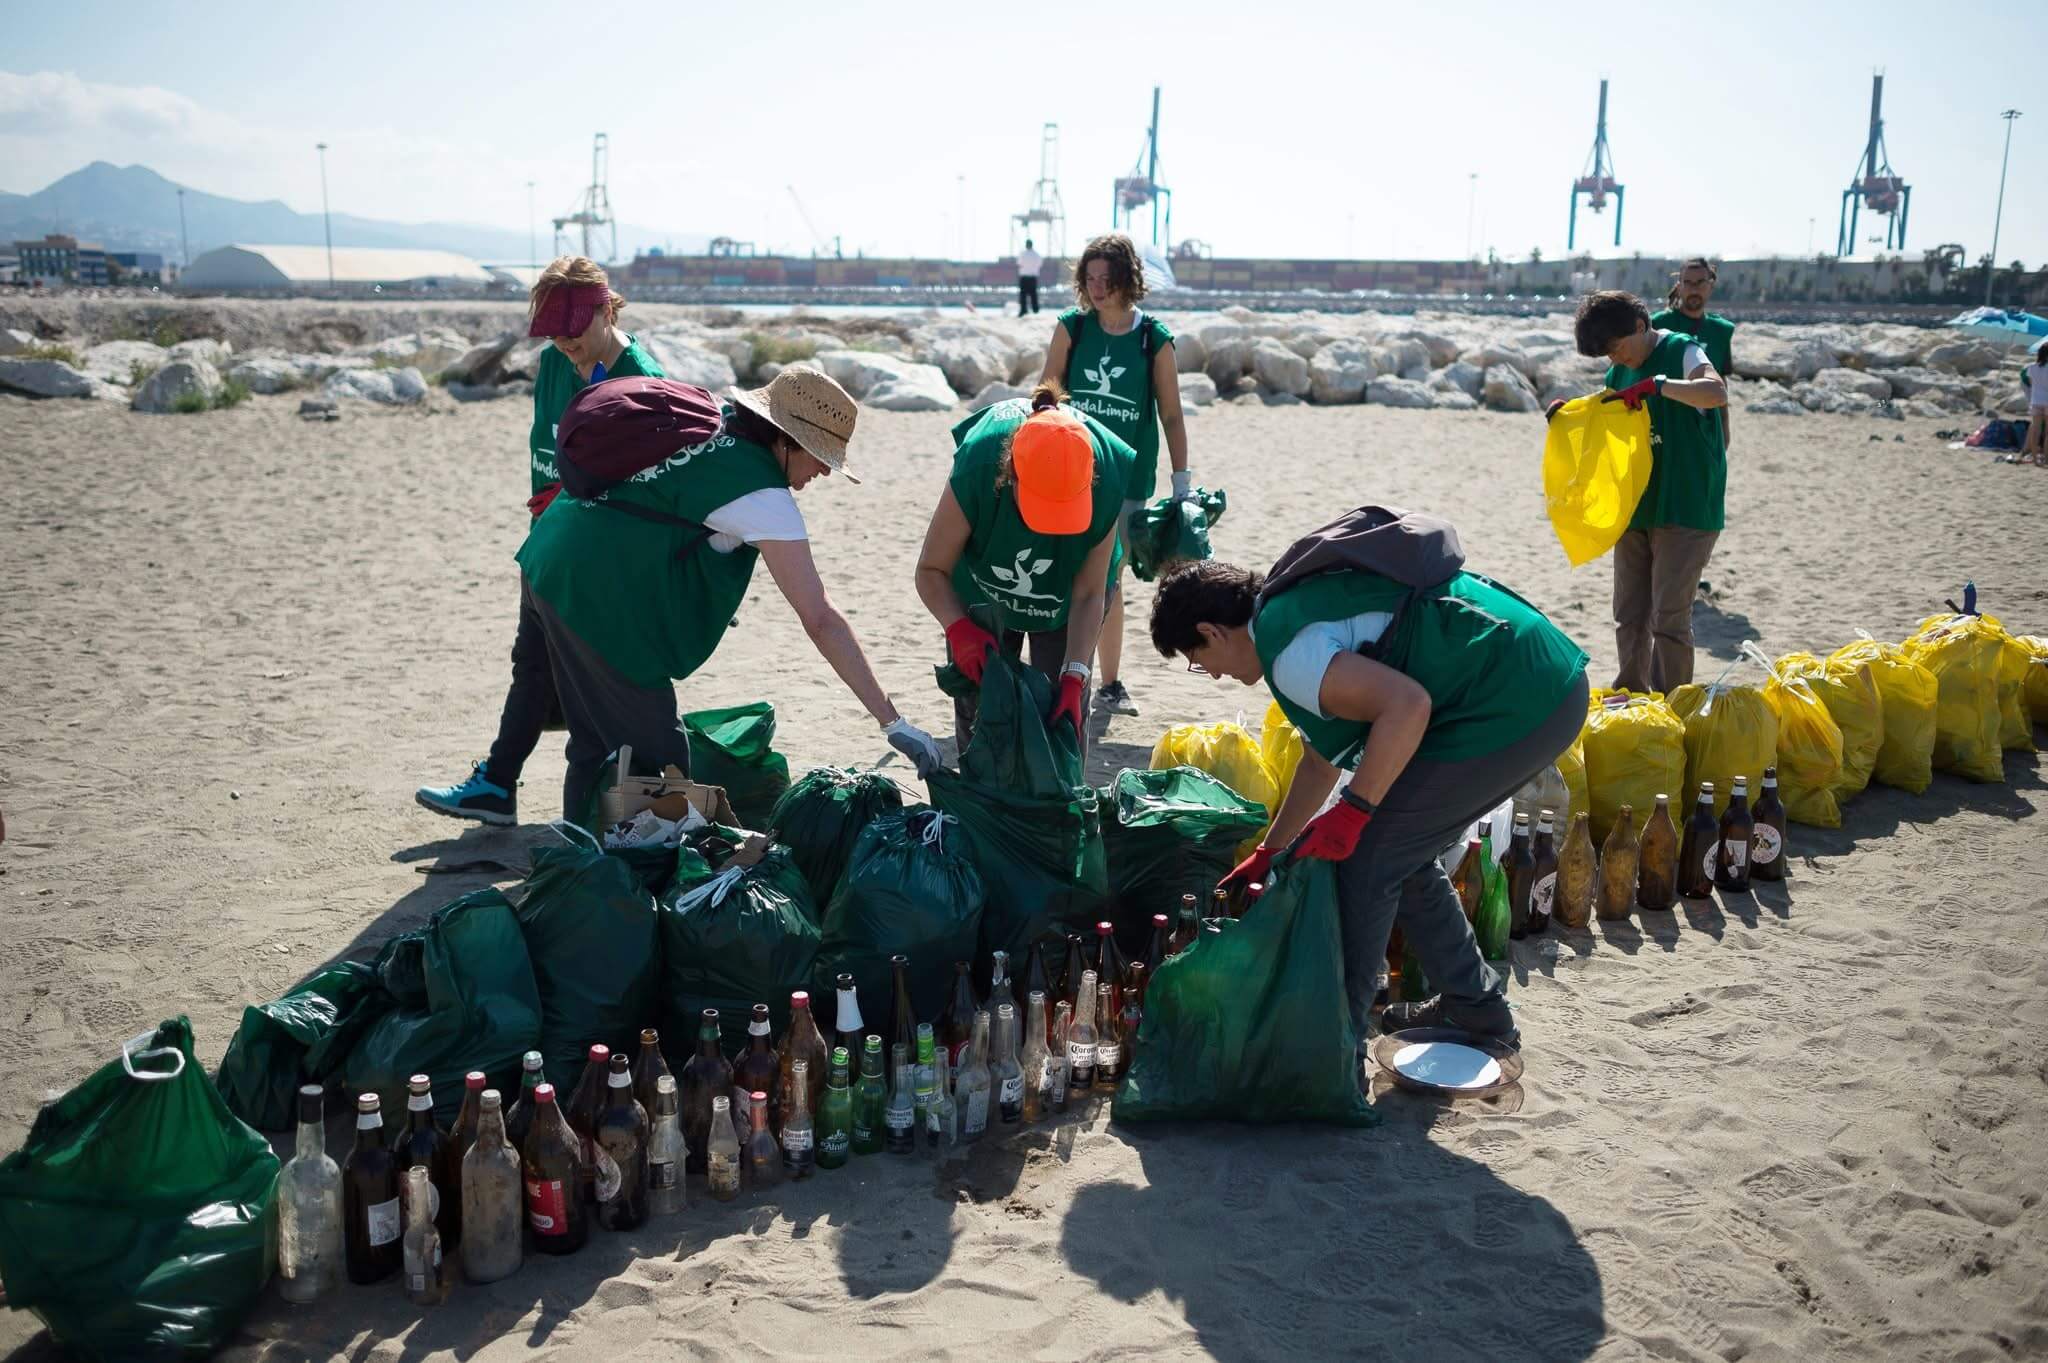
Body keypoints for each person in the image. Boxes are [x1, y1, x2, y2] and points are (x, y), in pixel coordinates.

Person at [1148, 521, 1590, 1048]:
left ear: (1213, 631)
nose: (1212, 675)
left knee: (1372, 859)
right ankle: (1475, 1009)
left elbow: (1408, 706)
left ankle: (1341, 1038)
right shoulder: (1283, 613)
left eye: (1199, 662)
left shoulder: (1290, 654)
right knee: (1397, 850)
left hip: (1519, 698)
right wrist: (1272, 848)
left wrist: (1355, 811)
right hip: (1530, 674)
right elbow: (1320, 762)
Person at [514, 365, 943, 819]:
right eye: (820, 456)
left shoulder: (712, 422)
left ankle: (585, 856)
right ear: (785, 440)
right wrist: (891, 721)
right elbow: (820, 617)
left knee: (595, 741)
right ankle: (611, 867)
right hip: (593, 594)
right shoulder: (762, 497)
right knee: (660, 762)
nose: (824, 471)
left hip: (548, 553)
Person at [416, 257, 664, 825]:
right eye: (553, 331)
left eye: (573, 329)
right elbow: (547, 455)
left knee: (586, 694)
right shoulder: (555, 363)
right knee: (530, 664)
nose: (563, 342)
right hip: (546, 545)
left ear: (605, 309)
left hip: (596, 564)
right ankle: (498, 788)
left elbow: (654, 487)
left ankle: (590, 820)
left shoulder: (641, 376)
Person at [913, 382, 1133, 762]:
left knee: (1061, 722)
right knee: (982, 713)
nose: (1048, 529)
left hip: (1065, 601)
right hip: (983, 590)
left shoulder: (1107, 472)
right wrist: (958, 627)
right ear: (1009, 476)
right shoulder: (980, 465)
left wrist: (1075, 674)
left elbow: (1090, 593)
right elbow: (931, 570)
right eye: (1041, 509)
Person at [1041, 233, 1191, 717]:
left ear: (1128, 278)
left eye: (1108, 278)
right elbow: (1045, 398)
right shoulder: (1073, 330)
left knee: (1109, 580)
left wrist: (1182, 480)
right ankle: (1060, 673)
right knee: (1064, 575)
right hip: (1068, 476)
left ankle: (1107, 683)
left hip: (1127, 482)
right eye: (1091, 278)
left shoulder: (1154, 338)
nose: (1098, 288)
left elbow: (1170, 414)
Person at [1555, 290, 1729, 694]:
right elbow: (1607, 426)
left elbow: (1715, 392)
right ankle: (1631, 696)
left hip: (1686, 505)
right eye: (1607, 355)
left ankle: (1671, 705)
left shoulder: (1682, 350)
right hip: (1635, 505)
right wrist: (1569, 418)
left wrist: (1660, 385)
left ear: (1639, 326)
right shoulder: (1617, 373)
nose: (1615, 360)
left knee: (1669, 616)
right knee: (1629, 613)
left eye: (1616, 348)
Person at [1651, 257, 1735, 450]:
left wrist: (1724, 431)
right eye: (1688, 282)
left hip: (1703, 427)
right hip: (1663, 425)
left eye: (1700, 282)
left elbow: (1721, 381)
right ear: (1679, 286)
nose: (1694, 288)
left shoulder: (1720, 330)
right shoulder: (1658, 324)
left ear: (1711, 285)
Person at [2021, 341, 2048, 464]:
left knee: (2035, 430)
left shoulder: (2031, 367)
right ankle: (2046, 459)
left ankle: (2035, 459)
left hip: (2036, 400)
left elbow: (2032, 385)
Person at [1016, 238, 1042, 316]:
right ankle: (1035, 310)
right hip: (1033, 277)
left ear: (1026, 245)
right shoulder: (1037, 255)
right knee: (1033, 294)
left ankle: (1023, 310)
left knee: (1023, 294)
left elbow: (1019, 264)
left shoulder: (1022, 254)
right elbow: (1039, 264)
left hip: (1024, 276)